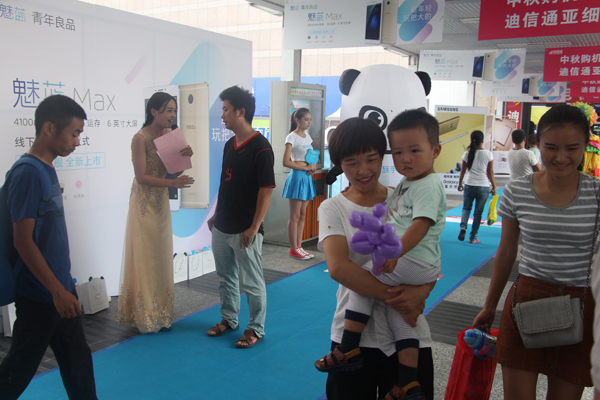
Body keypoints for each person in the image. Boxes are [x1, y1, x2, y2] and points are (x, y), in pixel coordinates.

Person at [474, 104, 598, 399]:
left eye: (572, 148)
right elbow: (506, 252)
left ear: (585, 145)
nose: (561, 157)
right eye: (551, 147)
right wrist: (490, 306)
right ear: (537, 144)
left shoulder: (596, 193)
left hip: (580, 304)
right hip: (527, 299)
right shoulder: (517, 191)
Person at [314, 117, 436, 400]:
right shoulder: (333, 207)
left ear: (383, 156)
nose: (364, 170)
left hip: (408, 336)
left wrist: (423, 291)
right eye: (351, 163)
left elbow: (428, 257)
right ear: (339, 163)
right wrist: (400, 299)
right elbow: (339, 268)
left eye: (372, 159)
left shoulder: (405, 200)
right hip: (353, 338)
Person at [0, 95, 97, 399]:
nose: (78, 142)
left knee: (79, 366)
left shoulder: (46, 168)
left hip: (60, 290)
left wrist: (64, 288)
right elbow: (22, 240)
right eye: (74, 133)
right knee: (17, 370)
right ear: (49, 128)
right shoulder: (27, 173)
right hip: (40, 296)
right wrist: (56, 291)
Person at [118, 92, 194, 333]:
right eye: (168, 110)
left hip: (160, 202)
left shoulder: (170, 135)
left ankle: (161, 311)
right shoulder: (140, 138)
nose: (172, 115)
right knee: (145, 255)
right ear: (153, 111)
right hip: (143, 203)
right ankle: (145, 313)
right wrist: (173, 183)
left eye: (174, 110)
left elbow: (173, 171)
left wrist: (184, 158)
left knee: (160, 255)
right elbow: (141, 177)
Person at [206, 86, 275, 348]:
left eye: (226, 109)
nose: (222, 115)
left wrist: (254, 226)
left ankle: (255, 328)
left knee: (252, 282)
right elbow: (226, 183)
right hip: (222, 225)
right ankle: (229, 319)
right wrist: (216, 214)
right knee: (226, 277)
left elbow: (266, 190)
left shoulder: (261, 147)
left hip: (246, 228)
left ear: (240, 112)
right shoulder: (229, 145)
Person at [282, 108, 317, 260]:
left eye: (310, 119)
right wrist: (304, 168)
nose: (309, 122)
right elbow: (285, 161)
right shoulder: (291, 137)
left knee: (303, 214)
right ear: (298, 120)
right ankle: (293, 248)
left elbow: (311, 157)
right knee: (294, 215)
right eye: (306, 119)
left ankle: (299, 246)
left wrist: (312, 167)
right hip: (297, 176)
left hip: (307, 177)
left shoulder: (308, 137)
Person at [457, 130, 496, 244]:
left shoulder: (467, 153)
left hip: (469, 184)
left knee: (466, 208)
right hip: (483, 186)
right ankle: (473, 238)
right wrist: (494, 186)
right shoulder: (488, 154)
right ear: (482, 141)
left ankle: (463, 227)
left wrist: (460, 183)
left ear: (471, 140)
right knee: (478, 213)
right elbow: (490, 172)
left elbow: (463, 170)